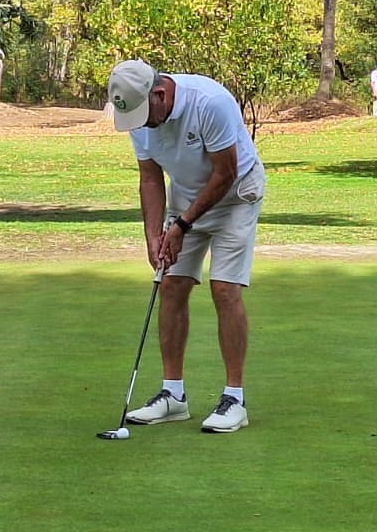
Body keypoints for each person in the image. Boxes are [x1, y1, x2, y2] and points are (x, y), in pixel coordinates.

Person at [108, 59, 266, 434]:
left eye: (147, 115)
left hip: (236, 194)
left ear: (160, 94)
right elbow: (150, 178)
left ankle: (234, 399)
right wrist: (154, 236)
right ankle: (173, 395)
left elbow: (225, 173)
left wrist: (180, 225)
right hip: (187, 199)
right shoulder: (138, 113)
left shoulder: (209, 102)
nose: (143, 125)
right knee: (172, 285)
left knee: (224, 288)